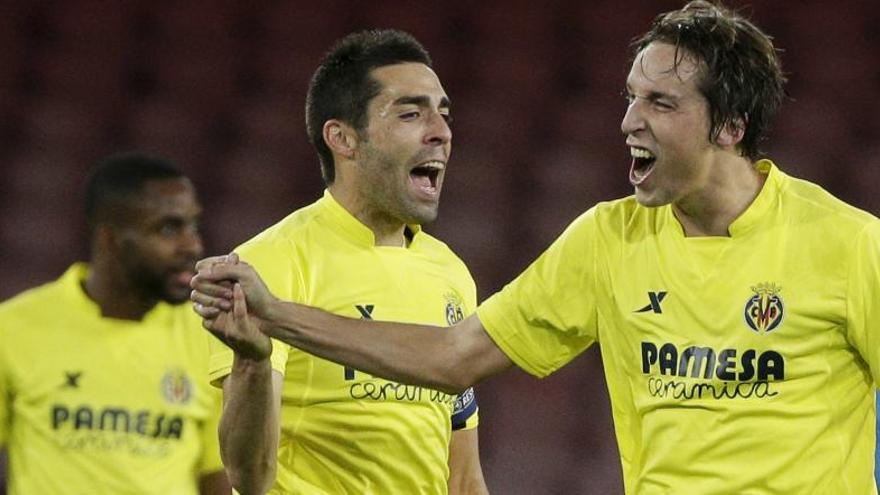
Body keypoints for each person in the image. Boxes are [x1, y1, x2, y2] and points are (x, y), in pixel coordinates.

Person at [193, 1, 880, 493]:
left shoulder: (850, 246)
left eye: (660, 103)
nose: (628, 120)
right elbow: (454, 355)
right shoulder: (609, 239)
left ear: (730, 125)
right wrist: (274, 314)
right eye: (630, 96)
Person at [197, 30, 487, 494]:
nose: (441, 132)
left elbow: (464, 475)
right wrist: (252, 362)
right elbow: (250, 479)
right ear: (344, 139)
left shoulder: (450, 271)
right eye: (412, 114)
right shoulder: (270, 264)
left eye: (443, 114)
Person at [0, 152, 229, 494]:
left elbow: (217, 475)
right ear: (109, 240)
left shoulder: (210, 335)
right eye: (169, 228)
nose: (192, 244)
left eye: (192, 225)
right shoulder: (14, 328)